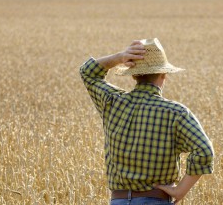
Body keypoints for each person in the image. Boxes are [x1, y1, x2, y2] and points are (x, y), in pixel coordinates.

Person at [79, 38, 214, 205]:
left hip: (118, 201)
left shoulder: (113, 102)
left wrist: (120, 57)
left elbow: (88, 72)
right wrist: (180, 190)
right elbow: (204, 151)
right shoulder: (176, 113)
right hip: (156, 200)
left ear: (133, 75)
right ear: (164, 74)